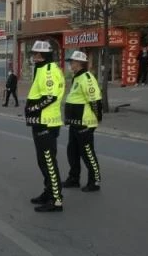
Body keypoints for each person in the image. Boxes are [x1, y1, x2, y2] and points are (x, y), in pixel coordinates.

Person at [25, 40, 66, 213]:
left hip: (46, 122)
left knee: (48, 162)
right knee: (43, 161)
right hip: (41, 122)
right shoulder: (42, 69)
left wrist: (32, 109)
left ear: (44, 55)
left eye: (36, 54)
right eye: (34, 53)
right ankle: (48, 192)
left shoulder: (49, 70)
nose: (34, 56)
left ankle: (56, 200)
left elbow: (50, 97)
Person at [63, 50, 102, 192]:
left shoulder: (87, 78)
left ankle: (94, 181)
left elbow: (95, 100)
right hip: (74, 123)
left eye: (72, 62)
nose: (70, 65)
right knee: (72, 152)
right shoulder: (77, 77)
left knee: (87, 153)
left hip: (85, 123)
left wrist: (96, 120)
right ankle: (74, 178)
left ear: (79, 63)